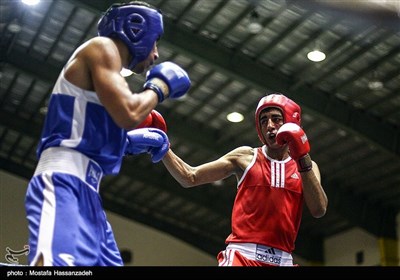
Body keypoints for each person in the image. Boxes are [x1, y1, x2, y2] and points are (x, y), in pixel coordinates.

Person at [24, 1, 190, 266]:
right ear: (136, 30)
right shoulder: (102, 48)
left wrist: (128, 143)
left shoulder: (107, 77)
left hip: (89, 193)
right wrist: (159, 87)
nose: (156, 54)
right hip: (63, 182)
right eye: (155, 41)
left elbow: (87, 133)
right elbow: (129, 113)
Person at [159, 93, 328, 266]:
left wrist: (302, 159)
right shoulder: (246, 157)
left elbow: (319, 209)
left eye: (276, 119)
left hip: (283, 260)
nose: (270, 125)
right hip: (243, 256)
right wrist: (163, 148)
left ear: (291, 122)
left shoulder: (308, 167)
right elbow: (190, 177)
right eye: (264, 121)